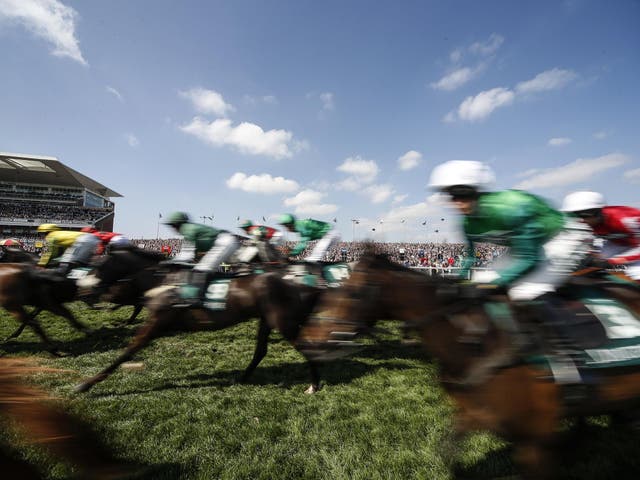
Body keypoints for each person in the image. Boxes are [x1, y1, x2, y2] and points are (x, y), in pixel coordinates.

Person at [428, 160, 594, 382]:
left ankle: (568, 354)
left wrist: (494, 284)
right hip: (530, 245)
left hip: (565, 237)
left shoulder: (511, 208)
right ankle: (507, 335)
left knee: (525, 291)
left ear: (477, 191)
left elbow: (530, 259)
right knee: (480, 279)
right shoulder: (469, 223)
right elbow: (471, 256)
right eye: (452, 196)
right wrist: (460, 277)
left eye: (462, 194)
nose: (457, 202)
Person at [163, 211, 239, 305]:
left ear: (177, 224)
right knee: (209, 269)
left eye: (172, 226)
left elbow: (186, 255)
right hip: (227, 241)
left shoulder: (186, 228)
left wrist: (170, 262)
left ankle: (194, 299)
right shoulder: (189, 228)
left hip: (224, 242)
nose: (172, 229)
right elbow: (192, 254)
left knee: (201, 269)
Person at [562, 191, 640, 280]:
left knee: (636, 272)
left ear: (599, 212)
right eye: (574, 215)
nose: (580, 220)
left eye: (584, 215)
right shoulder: (585, 223)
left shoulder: (627, 220)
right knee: (594, 264)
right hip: (617, 243)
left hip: (636, 246)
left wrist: (616, 261)